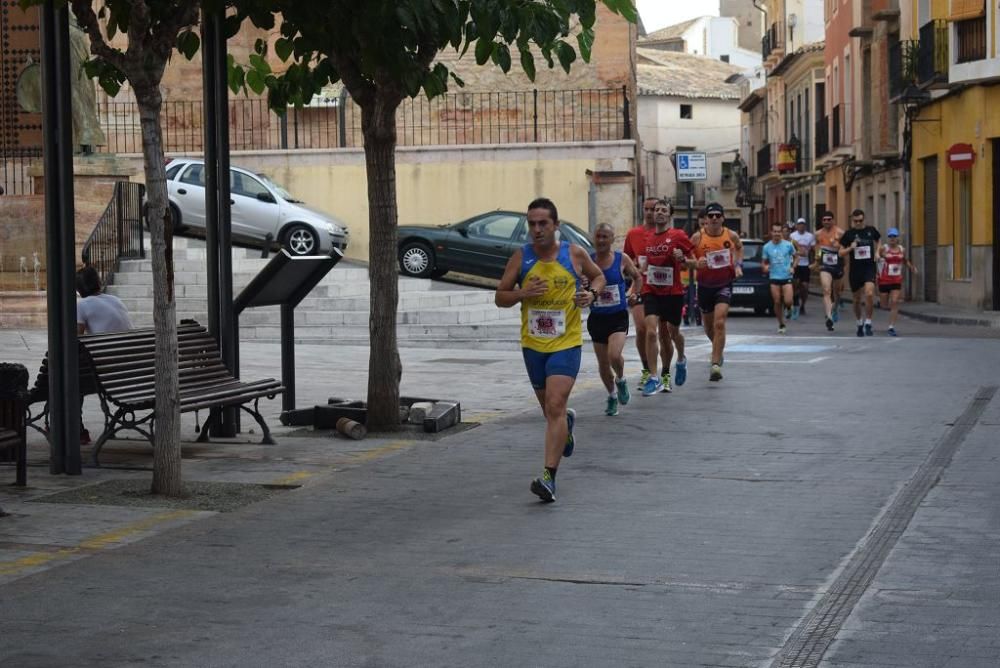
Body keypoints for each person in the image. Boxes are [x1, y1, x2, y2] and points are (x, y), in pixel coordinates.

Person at [495, 197, 605, 503]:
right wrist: (522, 293)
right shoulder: (521, 258)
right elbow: (499, 297)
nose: (537, 229)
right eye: (531, 223)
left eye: (543, 223)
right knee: (550, 411)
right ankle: (566, 429)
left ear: (556, 225)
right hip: (533, 345)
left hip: (566, 342)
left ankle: (548, 477)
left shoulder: (574, 253)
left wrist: (591, 295)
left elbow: (599, 276)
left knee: (556, 404)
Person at [639, 200, 694, 395]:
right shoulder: (647, 238)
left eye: (663, 210)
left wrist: (683, 259)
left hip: (673, 293)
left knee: (672, 333)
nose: (659, 213)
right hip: (651, 290)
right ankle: (654, 377)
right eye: (656, 210)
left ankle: (681, 358)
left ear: (669, 215)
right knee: (651, 332)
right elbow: (645, 266)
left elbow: (692, 260)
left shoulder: (677, 235)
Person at [76, 265, 133, 445]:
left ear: (78, 289)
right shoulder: (116, 300)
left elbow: (76, 342)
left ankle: (77, 429)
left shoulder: (82, 305)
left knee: (70, 380)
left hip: (105, 375)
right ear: (98, 282)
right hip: (131, 372)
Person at [588, 223, 641, 415]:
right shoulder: (588, 260)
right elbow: (580, 283)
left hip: (618, 316)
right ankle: (611, 396)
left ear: (612, 239)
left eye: (605, 237)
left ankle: (621, 380)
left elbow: (637, 277)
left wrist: (633, 293)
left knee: (614, 355)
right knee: (603, 364)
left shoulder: (621, 259)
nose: (601, 240)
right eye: (598, 236)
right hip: (597, 317)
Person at [623, 197, 675, 390]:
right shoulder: (633, 234)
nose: (650, 212)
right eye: (646, 209)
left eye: (653, 209)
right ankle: (647, 370)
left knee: (664, 334)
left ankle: (666, 372)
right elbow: (628, 260)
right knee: (643, 330)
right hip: (641, 288)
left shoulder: (670, 234)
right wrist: (632, 277)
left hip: (664, 289)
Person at [689, 202, 743, 381]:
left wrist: (737, 265)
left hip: (724, 284)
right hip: (704, 285)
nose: (714, 219)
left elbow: (739, 248)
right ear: (706, 219)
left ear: (723, 218)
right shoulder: (697, 238)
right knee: (709, 327)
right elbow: (686, 259)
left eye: (717, 216)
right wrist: (696, 263)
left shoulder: (730, 235)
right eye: (710, 216)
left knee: (720, 323)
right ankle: (717, 349)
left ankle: (714, 364)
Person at [840, 208, 882, 337]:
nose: (858, 223)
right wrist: (850, 248)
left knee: (869, 293)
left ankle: (868, 322)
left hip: (869, 267)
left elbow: (879, 240)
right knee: (857, 299)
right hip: (855, 270)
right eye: (855, 221)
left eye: (860, 220)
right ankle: (859, 323)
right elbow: (840, 253)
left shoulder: (871, 230)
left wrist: (877, 252)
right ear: (852, 221)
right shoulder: (849, 234)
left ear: (864, 219)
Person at [878, 227, 917, 336]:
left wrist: (911, 267)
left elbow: (904, 260)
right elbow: (877, 257)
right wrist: (880, 257)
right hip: (884, 280)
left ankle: (891, 327)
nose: (892, 238)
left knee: (894, 302)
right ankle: (881, 302)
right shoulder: (883, 248)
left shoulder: (901, 249)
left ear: (897, 238)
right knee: (884, 305)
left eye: (894, 236)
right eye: (890, 236)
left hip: (896, 279)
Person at [761, 222, 797, 334]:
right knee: (777, 301)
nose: (776, 234)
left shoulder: (788, 245)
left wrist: (793, 267)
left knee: (788, 300)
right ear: (771, 232)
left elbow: (796, 257)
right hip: (774, 277)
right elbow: (763, 263)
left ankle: (789, 307)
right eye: (775, 231)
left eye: (779, 231)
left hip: (786, 276)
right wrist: (765, 267)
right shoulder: (766, 247)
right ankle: (781, 323)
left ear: (782, 233)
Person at [815, 211, 845, 332]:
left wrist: (837, 245)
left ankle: (835, 308)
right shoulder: (817, 234)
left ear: (833, 220)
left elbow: (845, 250)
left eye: (829, 219)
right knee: (826, 290)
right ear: (822, 221)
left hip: (838, 265)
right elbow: (817, 248)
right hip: (825, 265)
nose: (827, 221)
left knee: (837, 293)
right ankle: (829, 317)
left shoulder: (841, 233)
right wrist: (817, 259)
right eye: (824, 220)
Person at [789, 217, 816, 319]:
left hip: (805, 265)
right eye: (799, 224)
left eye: (803, 224)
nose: (801, 226)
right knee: (795, 285)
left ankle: (802, 304)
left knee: (804, 286)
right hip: (795, 264)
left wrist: (816, 262)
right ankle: (795, 300)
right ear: (796, 225)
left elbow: (814, 249)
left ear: (805, 226)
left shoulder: (810, 236)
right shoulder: (792, 236)